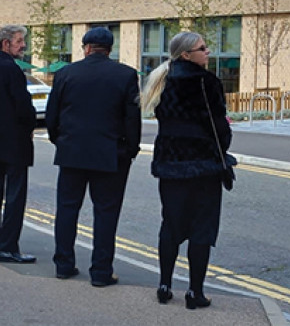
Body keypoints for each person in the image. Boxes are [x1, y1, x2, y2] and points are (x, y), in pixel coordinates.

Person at [141, 31, 234, 309]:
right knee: (201, 229)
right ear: (186, 54)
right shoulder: (206, 82)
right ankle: (195, 293)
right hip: (203, 165)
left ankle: (165, 284)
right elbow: (219, 127)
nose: (208, 52)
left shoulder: (161, 79)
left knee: (170, 225)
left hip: (170, 163)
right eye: (202, 48)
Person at [46, 27, 141, 286]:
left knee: (67, 210)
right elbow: (133, 119)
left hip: (72, 152)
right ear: (110, 49)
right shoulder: (126, 75)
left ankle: (63, 265)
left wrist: (61, 142)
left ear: (86, 48)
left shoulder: (65, 74)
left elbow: (51, 117)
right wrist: (130, 150)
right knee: (106, 214)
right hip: (111, 154)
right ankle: (101, 272)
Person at [0, 25, 37, 263]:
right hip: (14, 143)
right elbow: (22, 106)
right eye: (20, 41)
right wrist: (31, 123)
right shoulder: (11, 69)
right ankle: (8, 247)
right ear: (5, 44)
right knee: (14, 196)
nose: (23, 45)